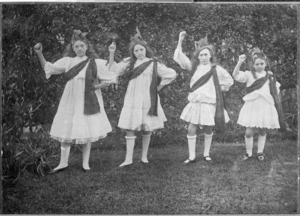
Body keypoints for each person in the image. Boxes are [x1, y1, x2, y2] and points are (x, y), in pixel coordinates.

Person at [34, 30, 116, 173]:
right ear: (73, 48)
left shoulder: (93, 62)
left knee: (87, 129)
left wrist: (96, 85)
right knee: (66, 128)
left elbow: (109, 73)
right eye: (76, 46)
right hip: (71, 98)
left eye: (81, 46)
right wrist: (39, 53)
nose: (79, 49)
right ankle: (63, 162)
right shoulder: (68, 61)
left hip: (87, 99)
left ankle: (85, 163)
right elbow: (49, 68)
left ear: (86, 47)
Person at [112, 30, 177, 167]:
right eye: (136, 51)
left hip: (148, 97)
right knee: (130, 126)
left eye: (141, 50)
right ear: (133, 52)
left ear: (146, 50)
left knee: (147, 127)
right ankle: (128, 159)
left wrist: (159, 87)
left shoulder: (153, 63)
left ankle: (144, 156)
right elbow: (114, 70)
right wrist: (114, 55)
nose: (139, 53)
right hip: (133, 96)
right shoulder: (130, 62)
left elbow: (170, 74)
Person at [173, 31, 233, 164]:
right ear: (198, 57)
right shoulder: (194, 67)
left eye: (206, 54)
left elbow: (229, 81)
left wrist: (218, 88)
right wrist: (180, 41)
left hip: (209, 102)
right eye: (201, 55)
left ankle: (206, 154)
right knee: (191, 128)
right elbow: (180, 58)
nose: (204, 57)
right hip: (196, 102)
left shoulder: (216, 68)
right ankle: (192, 156)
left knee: (208, 128)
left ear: (210, 55)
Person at [233, 49, 286, 161]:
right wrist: (239, 62)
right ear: (253, 65)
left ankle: (260, 152)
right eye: (257, 64)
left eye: (262, 63)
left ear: (266, 64)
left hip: (265, 105)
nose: (260, 66)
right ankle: (248, 152)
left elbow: (276, 91)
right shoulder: (248, 74)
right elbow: (235, 75)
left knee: (262, 130)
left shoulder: (269, 76)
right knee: (248, 132)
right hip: (252, 106)